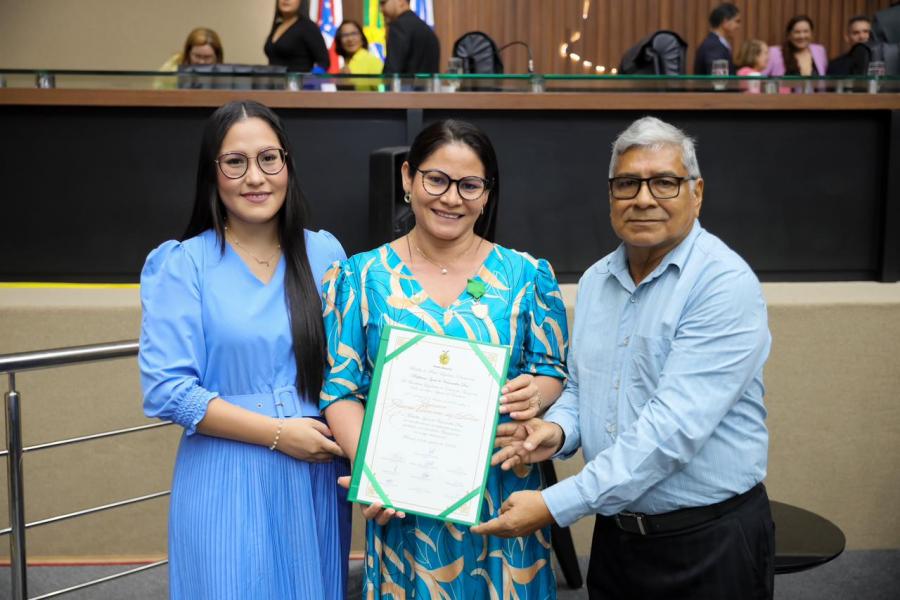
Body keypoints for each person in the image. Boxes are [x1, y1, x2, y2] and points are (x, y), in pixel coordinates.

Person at [474, 116, 775, 600]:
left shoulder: (722, 284)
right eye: (627, 183)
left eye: (664, 182)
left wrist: (555, 504)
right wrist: (559, 431)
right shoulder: (597, 280)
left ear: (696, 193)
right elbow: (580, 385)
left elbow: (670, 432)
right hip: (617, 539)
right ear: (610, 194)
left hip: (707, 542)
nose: (643, 198)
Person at [320, 119, 568, 598]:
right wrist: (372, 469)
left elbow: (551, 369)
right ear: (408, 179)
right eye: (436, 179)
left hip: (501, 492)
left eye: (469, 185)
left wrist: (534, 393)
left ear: (487, 194)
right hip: (402, 500)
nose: (451, 198)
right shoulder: (360, 276)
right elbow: (341, 389)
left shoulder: (526, 275)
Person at [139, 100, 349, 599]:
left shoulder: (325, 252)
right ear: (212, 173)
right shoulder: (183, 263)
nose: (255, 177)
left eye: (268, 159)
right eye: (235, 162)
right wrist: (280, 434)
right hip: (226, 470)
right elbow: (168, 391)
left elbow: (353, 367)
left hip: (316, 472)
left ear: (288, 164)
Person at [265, 0, 330, 72]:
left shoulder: (307, 26)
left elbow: (324, 62)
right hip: (273, 81)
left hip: (297, 82)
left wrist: (309, 81)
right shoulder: (277, 26)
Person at [380, 0, 440, 74]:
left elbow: (391, 72)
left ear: (400, 1)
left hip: (404, 85)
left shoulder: (398, 27)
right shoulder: (426, 29)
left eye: (383, 3)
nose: (381, 9)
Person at [763, 15, 828, 76]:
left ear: (811, 34)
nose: (802, 36)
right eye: (797, 32)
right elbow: (760, 77)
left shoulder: (819, 51)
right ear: (789, 35)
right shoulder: (774, 53)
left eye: (806, 31)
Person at [694, 3, 741, 75]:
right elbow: (718, 80)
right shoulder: (713, 46)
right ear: (725, 22)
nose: (738, 26)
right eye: (736, 21)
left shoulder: (714, 44)